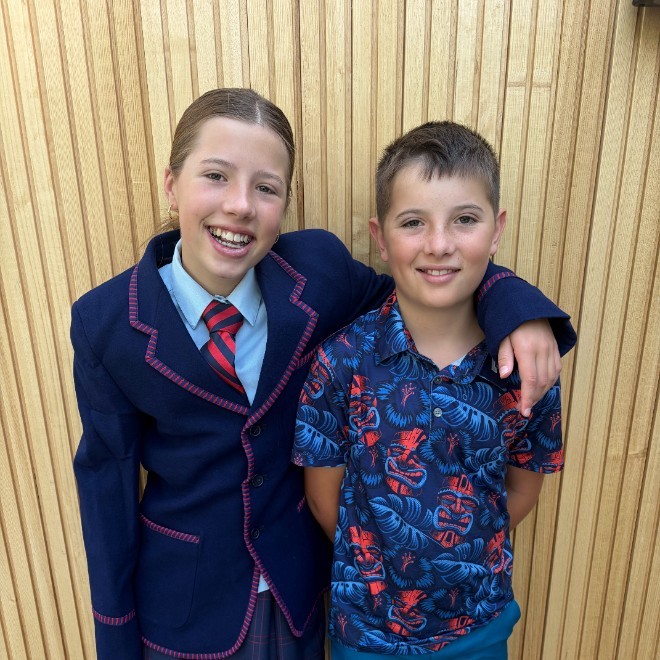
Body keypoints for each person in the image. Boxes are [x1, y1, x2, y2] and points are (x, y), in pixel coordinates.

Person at [71, 89, 574, 660]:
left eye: (266, 187)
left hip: (299, 593)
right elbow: (106, 492)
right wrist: (115, 641)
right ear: (171, 183)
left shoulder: (317, 273)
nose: (240, 205)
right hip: (186, 609)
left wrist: (518, 309)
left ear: (285, 202)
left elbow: (425, 286)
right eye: (215, 176)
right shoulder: (105, 322)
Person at [293, 121, 567, 659]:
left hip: (480, 627)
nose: (439, 244)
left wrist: (454, 552)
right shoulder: (340, 362)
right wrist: (381, 567)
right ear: (380, 237)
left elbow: (522, 490)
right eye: (413, 222)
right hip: (367, 634)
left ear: (497, 229)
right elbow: (325, 500)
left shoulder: (528, 368)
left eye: (464, 219)